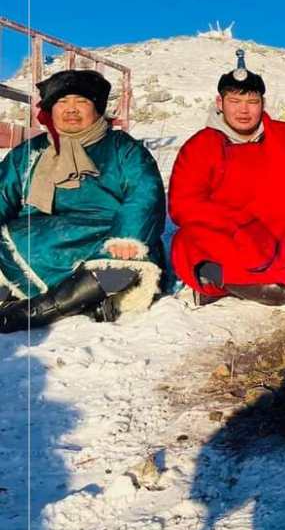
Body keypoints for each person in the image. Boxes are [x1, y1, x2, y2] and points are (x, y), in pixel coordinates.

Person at [169, 52, 285, 308]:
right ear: (220, 103)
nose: (244, 110)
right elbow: (183, 204)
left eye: (252, 102)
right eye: (234, 101)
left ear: (263, 104)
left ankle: (232, 285)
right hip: (232, 238)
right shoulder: (200, 146)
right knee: (188, 240)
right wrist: (239, 224)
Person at [0, 69, 166, 333]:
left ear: (97, 108)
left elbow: (145, 194)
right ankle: (88, 302)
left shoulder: (123, 148)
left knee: (120, 267)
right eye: (62, 102)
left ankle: (33, 312)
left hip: (107, 236)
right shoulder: (29, 153)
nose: (71, 109)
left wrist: (127, 237)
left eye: (81, 101)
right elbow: (3, 193)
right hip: (36, 239)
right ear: (50, 109)